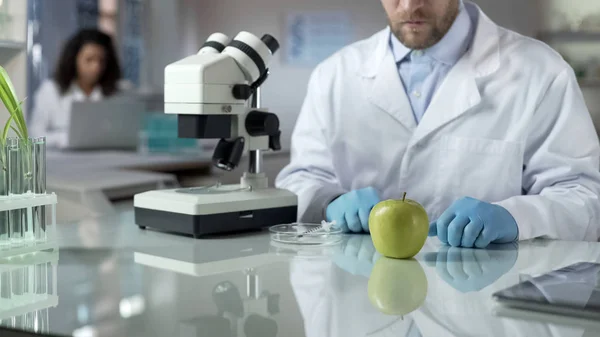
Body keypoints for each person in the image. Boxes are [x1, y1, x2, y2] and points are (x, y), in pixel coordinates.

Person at [275, 0, 600, 248]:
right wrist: (329, 203)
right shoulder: (334, 74)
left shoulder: (540, 71)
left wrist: (517, 218)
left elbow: (583, 195)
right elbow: (301, 179)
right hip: (361, 296)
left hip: (484, 302)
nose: (410, 5)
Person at [29, 28, 126, 148]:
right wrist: (65, 137)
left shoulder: (117, 93)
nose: (96, 67)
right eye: (89, 59)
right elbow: (34, 136)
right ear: (73, 60)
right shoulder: (50, 90)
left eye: (101, 61)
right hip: (63, 162)